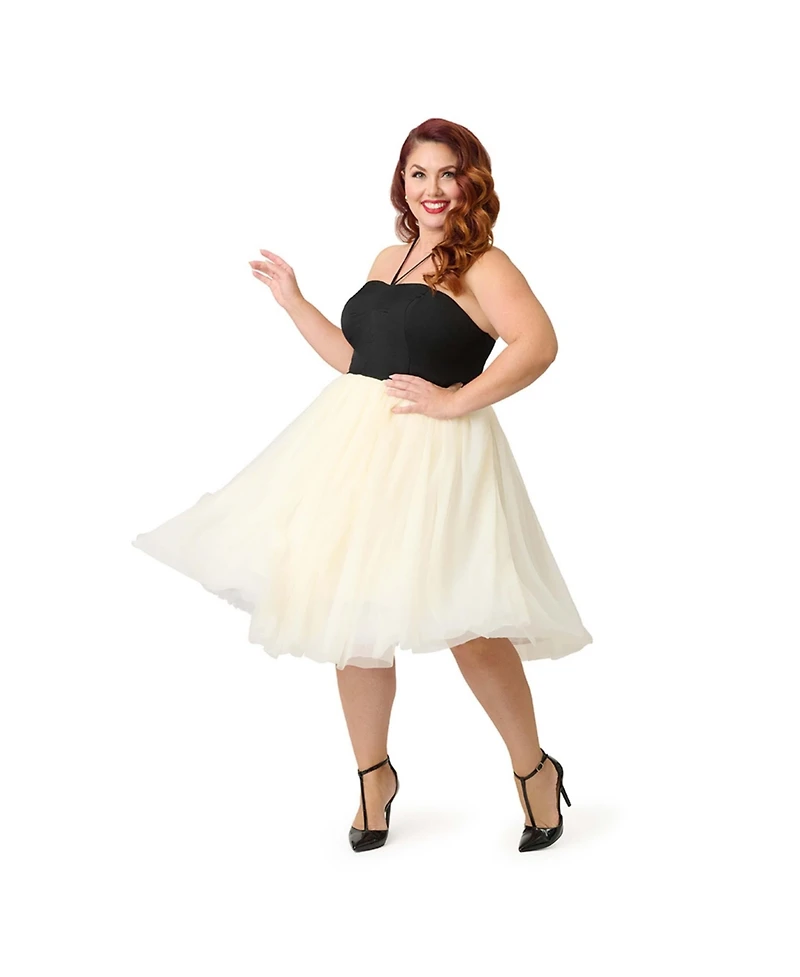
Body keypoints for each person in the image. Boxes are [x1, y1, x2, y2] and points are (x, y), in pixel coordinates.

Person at [132, 117, 593, 854]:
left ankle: (533, 768)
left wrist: (455, 402)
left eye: (448, 174)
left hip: (439, 457)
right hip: (355, 452)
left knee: (472, 626)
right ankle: (374, 779)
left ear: (471, 182)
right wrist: (294, 300)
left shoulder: (484, 264)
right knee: (355, 621)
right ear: (401, 182)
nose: (433, 189)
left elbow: (539, 344)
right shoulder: (390, 255)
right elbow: (357, 360)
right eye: (418, 173)